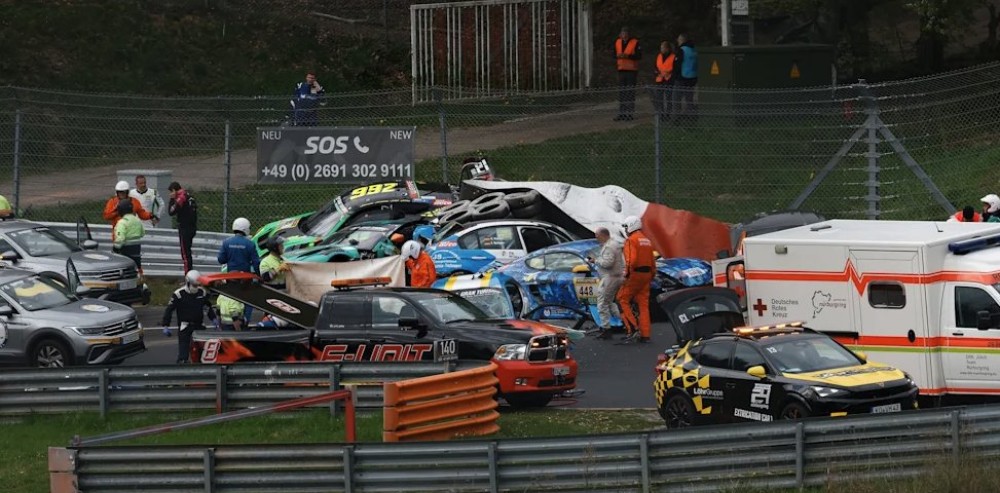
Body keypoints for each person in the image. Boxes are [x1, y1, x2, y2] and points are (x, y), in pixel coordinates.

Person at [161, 270, 217, 363]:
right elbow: (169, 310)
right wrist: (166, 325)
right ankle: (183, 368)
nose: (196, 287)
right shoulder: (178, 294)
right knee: (183, 354)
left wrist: (214, 319)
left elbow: (207, 307)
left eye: (198, 285)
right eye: (194, 285)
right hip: (185, 326)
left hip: (199, 325)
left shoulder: (202, 293)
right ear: (188, 282)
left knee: (202, 352)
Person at [617, 216, 655, 343]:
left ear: (632, 225)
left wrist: (626, 274)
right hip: (647, 275)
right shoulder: (647, 240)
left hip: (635, 275)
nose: (626, 230)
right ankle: (645, 334)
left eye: (626, 227)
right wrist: (652, 275)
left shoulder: (631, 240)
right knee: (643, 305)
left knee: (621, 299)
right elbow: (652, 261)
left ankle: (633, 329)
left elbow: (631, 260)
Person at [218, 217, 260, 322]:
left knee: (232, 298)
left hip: (231, 277)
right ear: (246, 228)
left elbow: (221, 259)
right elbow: (256, 263)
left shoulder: (226, 242)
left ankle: (229, 319)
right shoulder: (250, 244)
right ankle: (245, 320)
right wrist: (259, 276)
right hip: (245, 278)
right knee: (248, 300)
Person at [586, 227, 624, 339]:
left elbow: (608, 263)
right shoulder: (614, 244)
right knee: (610, 302)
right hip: (614, 276)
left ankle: (606, 328)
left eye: (597, 235)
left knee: (602, 303)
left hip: (610, 277)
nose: (596, 238)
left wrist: (595, 261)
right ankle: (626, 322)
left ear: (603, 235)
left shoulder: (609, 246)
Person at [167, 182, 198, 274]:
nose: (170, 194)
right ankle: (190, 274)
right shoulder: (189, 196)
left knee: (185, 255)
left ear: (174, 190)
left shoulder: (181, 198)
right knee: (188, 254)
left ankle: (187, 276)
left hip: (185, 228)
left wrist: (172, 199)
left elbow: (171, 211)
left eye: (171, 192)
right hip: (192, 227)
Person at [613, 26, 641, 122]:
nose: (624, 36)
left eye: (626, 34)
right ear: (620, 34)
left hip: (631, 71)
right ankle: (622, 113)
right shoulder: (617, 42)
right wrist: (617, 56)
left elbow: (639, 56)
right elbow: (613, 54)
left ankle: (629, 113)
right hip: (621, 70)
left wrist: (628, 56)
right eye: (623, 34)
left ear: (629, 35)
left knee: (630, 92)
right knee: (622, 93)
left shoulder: (635, 42)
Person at [672, 34, 699, 125]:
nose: (677, 41)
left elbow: (677, 65)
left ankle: (676, 119)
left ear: (682, 40)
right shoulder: (693, 49)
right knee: (689, 99)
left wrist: (674, 76)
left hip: (682, 77)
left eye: (679, 40)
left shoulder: (681, 50)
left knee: (676, 98)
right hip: (692, 77)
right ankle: (691, 118)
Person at [112, 200, 145, 271]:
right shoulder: (137, 220)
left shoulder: (122, 222)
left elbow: (120, 239)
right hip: (137, 250)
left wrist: (115, 249)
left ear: (121, 210)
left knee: (124, 269)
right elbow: (142, 233)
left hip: (125, 252)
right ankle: (140, 280)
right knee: (137, 268)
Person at [652, 41, 676, 122]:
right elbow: (655, 66)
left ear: (667, 48)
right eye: (661, 47)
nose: (661, 49)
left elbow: (675, 69)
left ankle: (668, 115)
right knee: (659, 98)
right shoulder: (659, 56)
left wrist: (669, 73)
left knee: (668, 98)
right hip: (659, 79)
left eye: (662, 47)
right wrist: (656, 71)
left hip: (668, 79)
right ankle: (661, 114)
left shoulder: (673, 57)